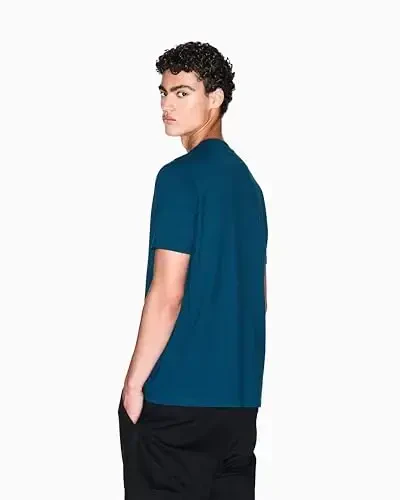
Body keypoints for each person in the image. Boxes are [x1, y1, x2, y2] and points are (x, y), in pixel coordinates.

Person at [118, 41, 268, 500]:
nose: (167, 104)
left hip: (176, 401)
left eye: (182, 92)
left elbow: (168, 291)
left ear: (215, 97)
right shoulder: (249, 185)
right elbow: (258, 296)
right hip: (239, 406)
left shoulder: (179, 176)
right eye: (164, 92)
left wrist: (133, 385)